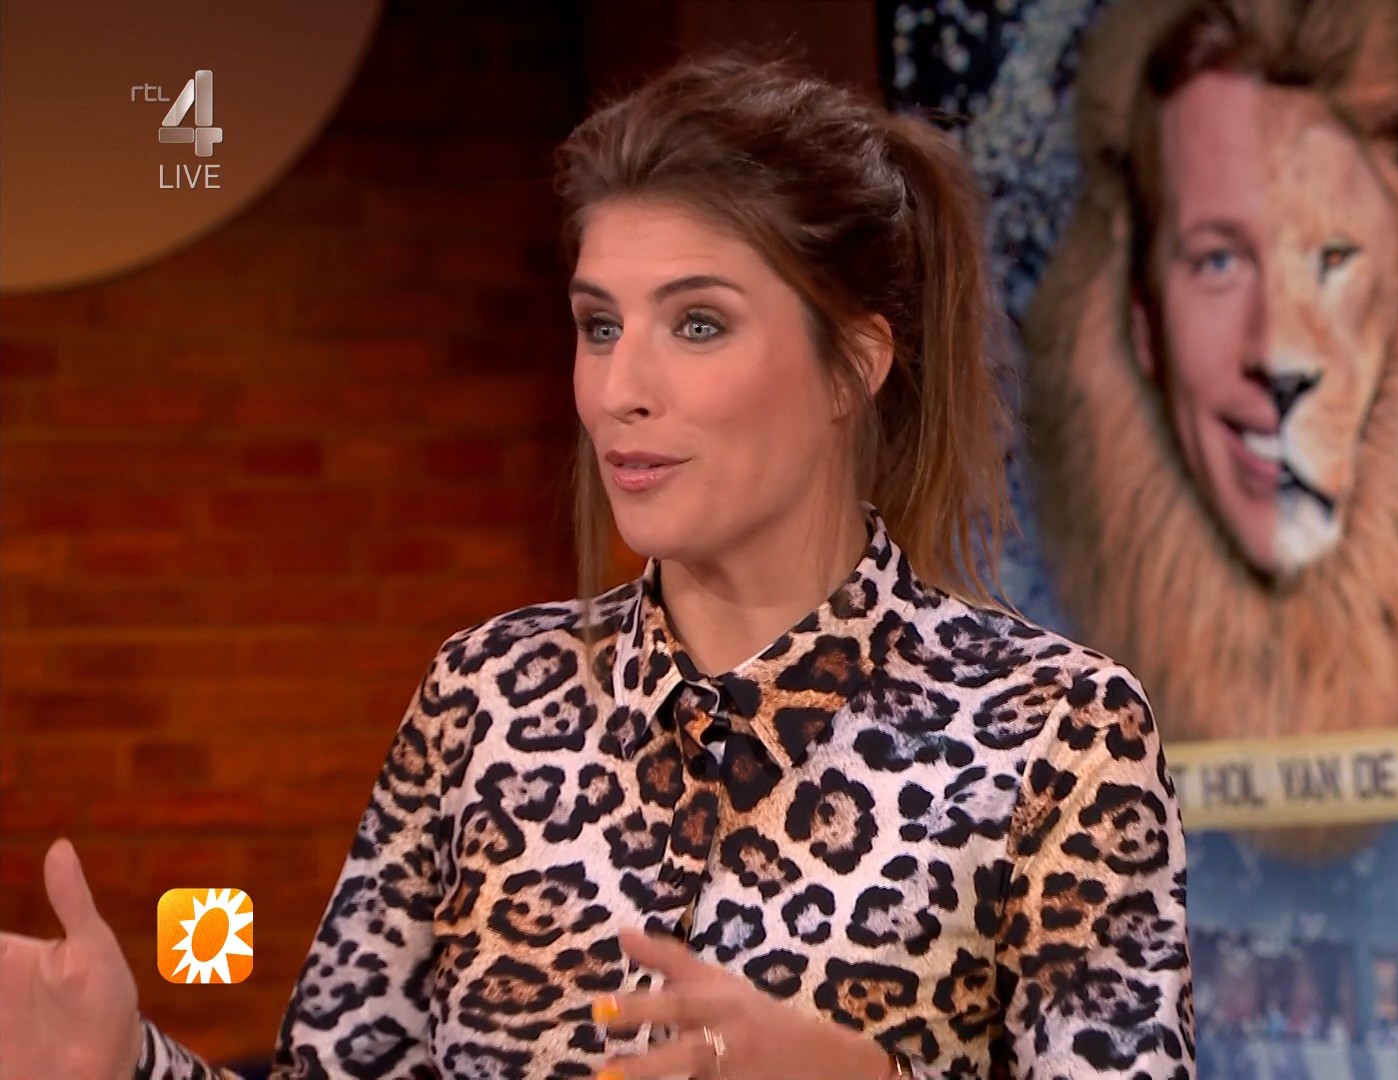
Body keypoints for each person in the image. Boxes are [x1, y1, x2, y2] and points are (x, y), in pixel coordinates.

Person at [0, 54, 1194, 1079]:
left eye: (698, 323)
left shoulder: (1056, 731)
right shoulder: (483, 701)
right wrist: (122, 1064)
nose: (621, 388)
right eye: (600, 325)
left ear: (856, 362)